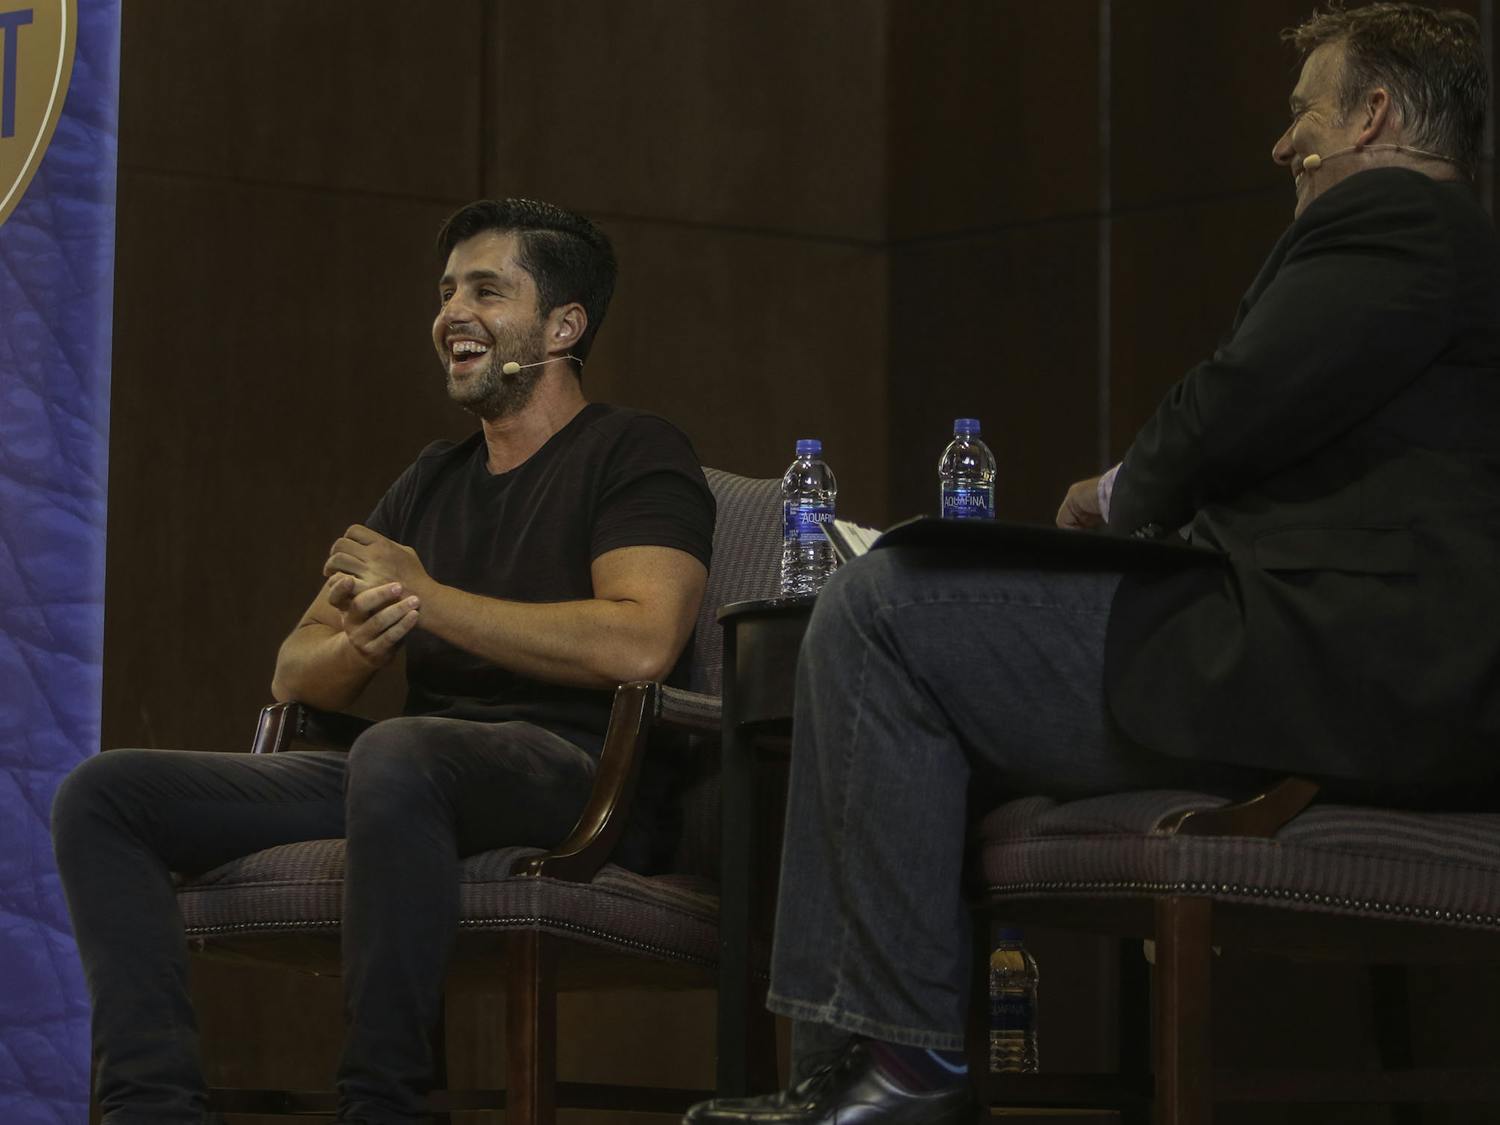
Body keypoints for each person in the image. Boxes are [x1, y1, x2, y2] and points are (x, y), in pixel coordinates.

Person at [685, 6, 1500, 1125]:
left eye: (1302, 112)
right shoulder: (1446, 246)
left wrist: (1118, 492)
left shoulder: (1399, 215)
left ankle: (894, 1071)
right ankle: (874, 1066)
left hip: (1334, 665)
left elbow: (1238, 403)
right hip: (1351, 665)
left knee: (883, 609)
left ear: (1373, 114)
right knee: (911, 627)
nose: (1281, 145)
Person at [51, 198, 716, 1124]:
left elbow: (643, 639)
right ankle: (148, 1106)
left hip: (571, 773)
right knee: (105, 793)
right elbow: (294, 671)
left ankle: (383, 1103)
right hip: (399, 775)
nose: (452, 313)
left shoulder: (635, 451)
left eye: (487, 289)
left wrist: (431, 599)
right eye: (446, 292)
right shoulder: (429, 480)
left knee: (401, 751)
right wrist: (357, 646)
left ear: (564, 326)